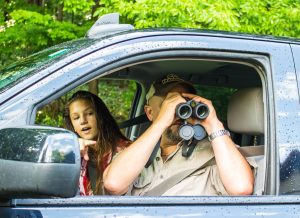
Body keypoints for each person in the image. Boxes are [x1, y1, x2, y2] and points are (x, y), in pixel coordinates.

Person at [103, 74, 255, 196]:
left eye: (184, 104)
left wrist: (213, 123)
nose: (178, 112)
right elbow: (113, 184)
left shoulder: (217, 152)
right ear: (149, 112)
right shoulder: (136, 154)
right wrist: (162, 121)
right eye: (168, 103)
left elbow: (241, 188)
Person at [64, 90, 130, 195]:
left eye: (89, 113)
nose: (83, 121)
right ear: (73, 126)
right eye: (76, 118)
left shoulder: (126, 150)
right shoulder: (72, 152)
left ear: (100, 117)